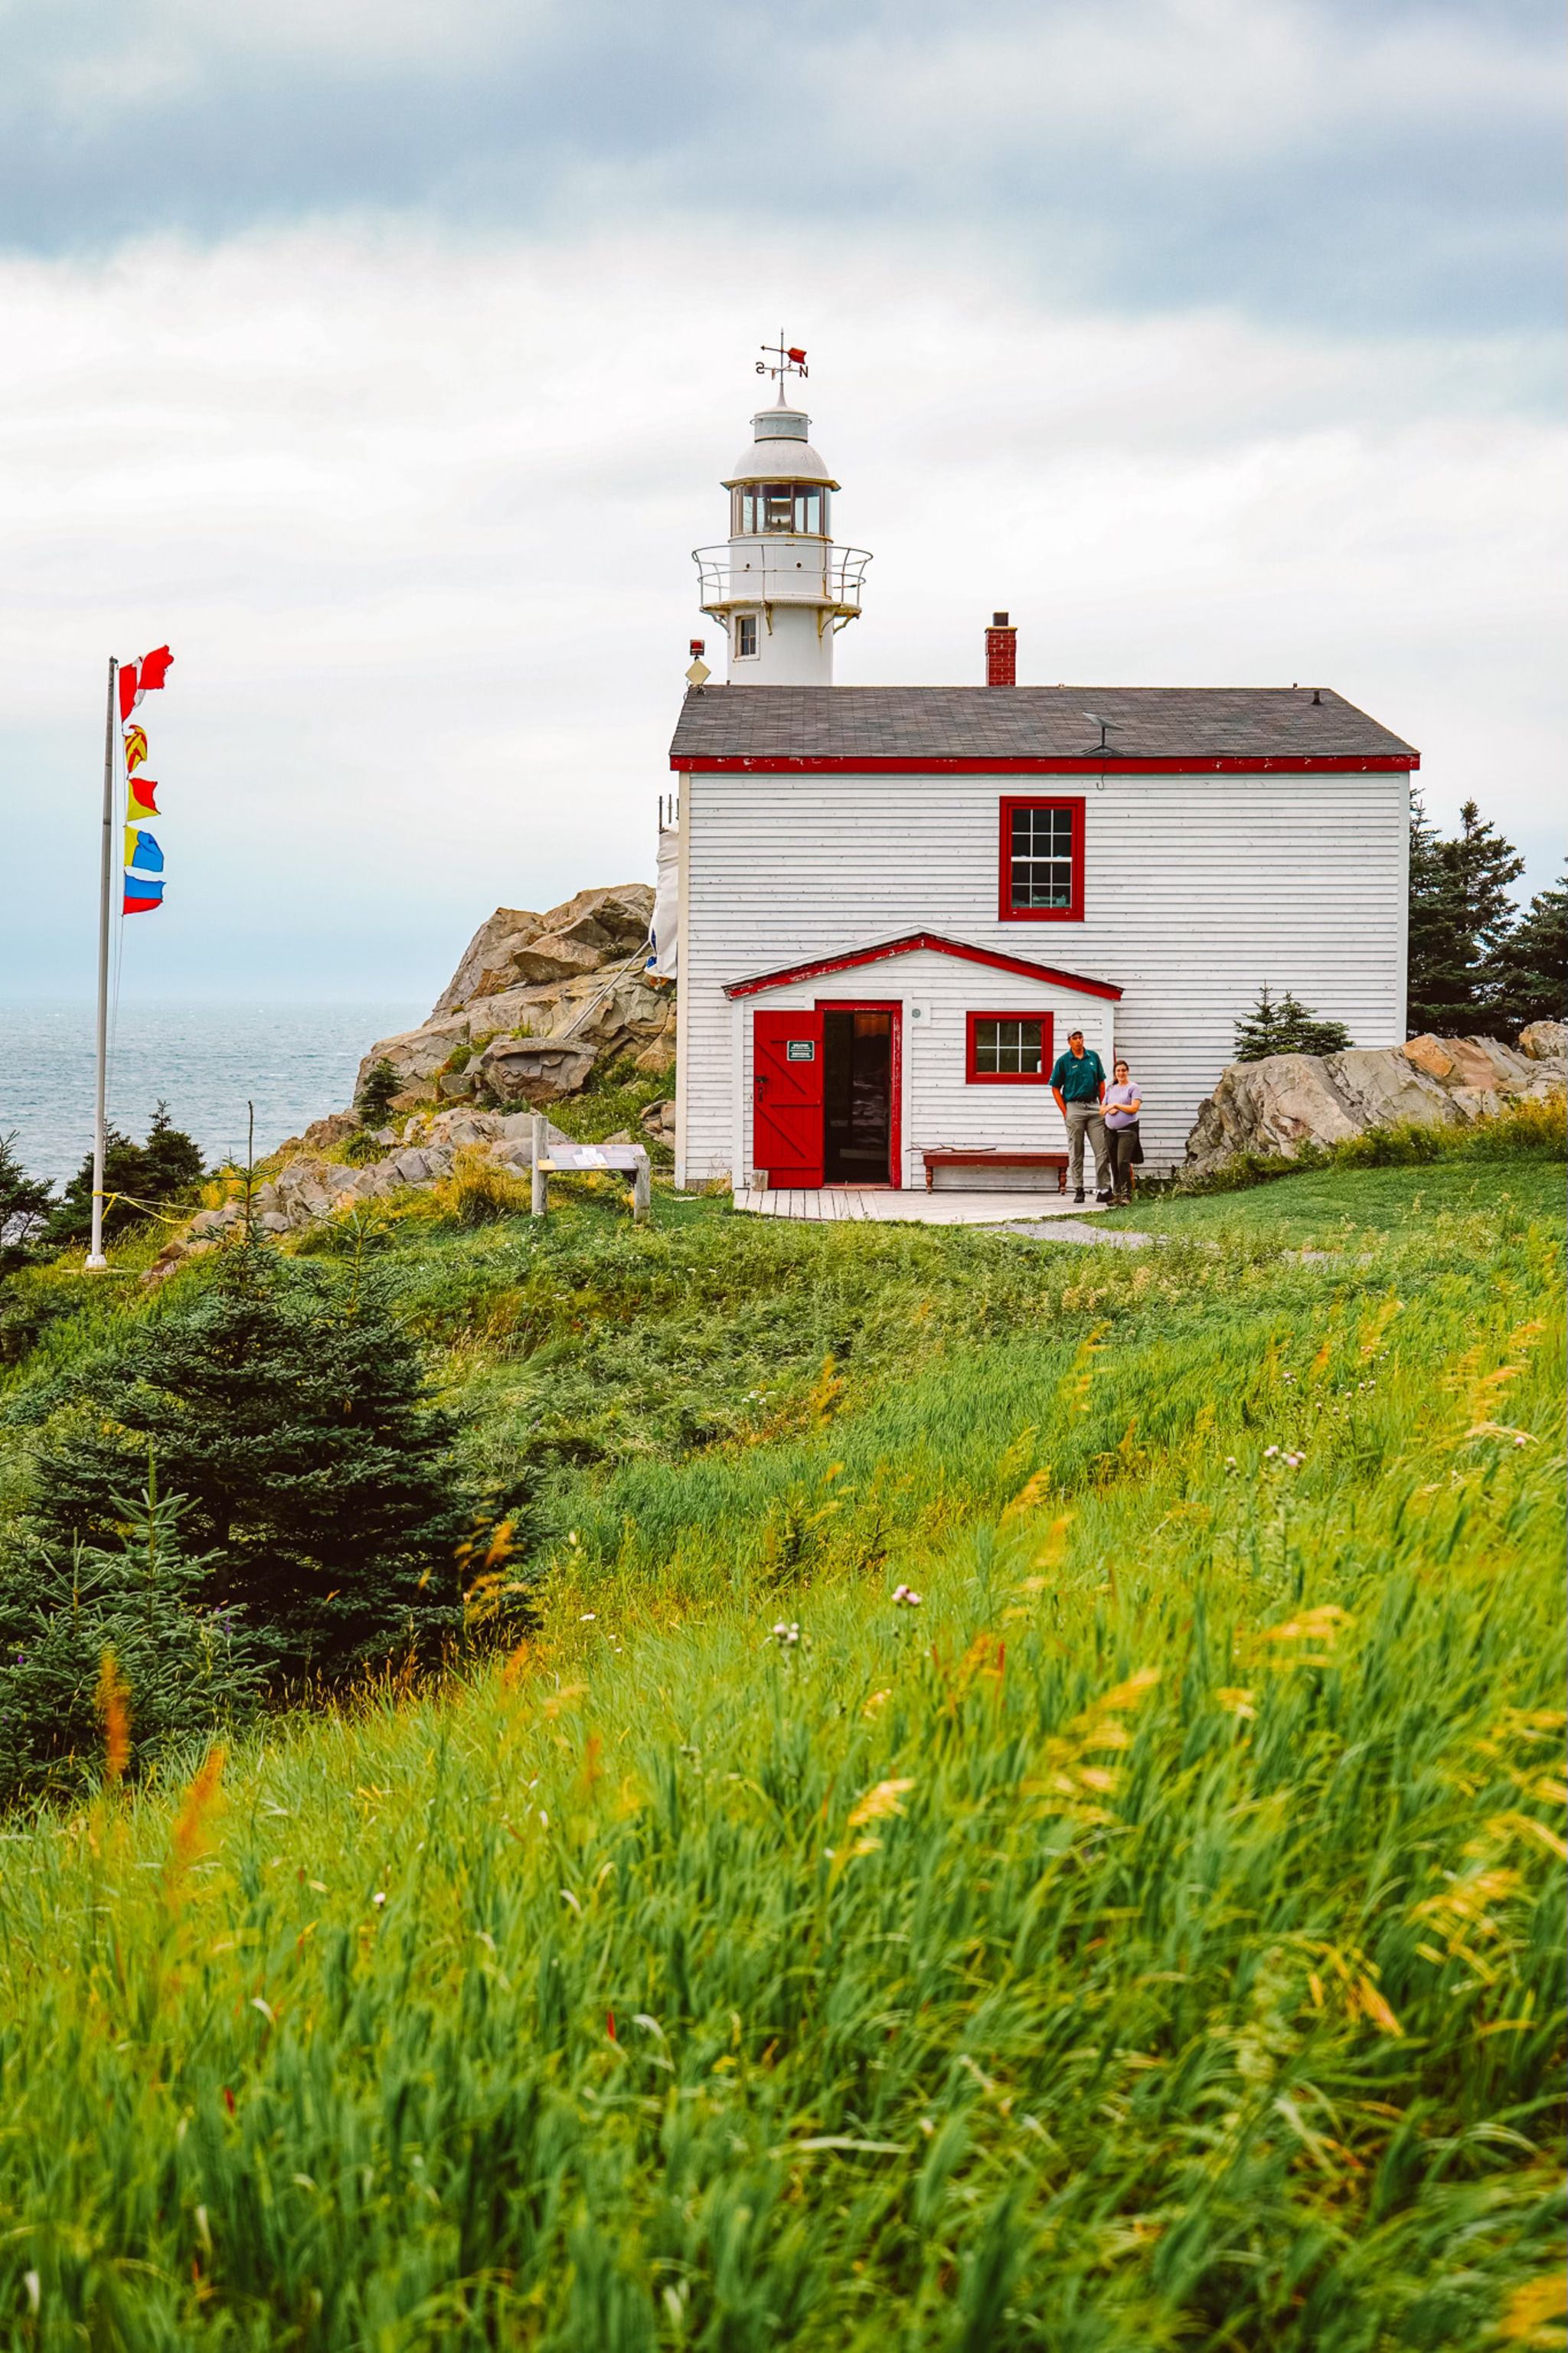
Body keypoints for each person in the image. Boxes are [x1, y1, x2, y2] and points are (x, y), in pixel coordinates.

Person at [1049, 1028, 1111, 1203]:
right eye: (1074, 1038)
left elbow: (1101, 1082)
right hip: (1074, 1106)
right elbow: (1055, 1088)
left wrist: (1103, 1105)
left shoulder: (1093, 1058)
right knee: (1076, 1150)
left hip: (1093, 1106)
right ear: (1069, 1042)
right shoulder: (1063, 1062)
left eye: (1080, 1037)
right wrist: (1065, 1111)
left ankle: (1104, 1188)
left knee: (1102, 1149)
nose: (1078, 1040)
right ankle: (1079, 1188)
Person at [1102, 1057, 1142, 1205]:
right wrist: (1109, 1109)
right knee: (1113, 1162)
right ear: (1115, 1073)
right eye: (1118, 1071)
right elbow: (1102, 1109)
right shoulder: (1111, 1089)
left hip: (1127, 1131)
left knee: (1122, 1162)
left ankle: (1126, 1194)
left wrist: (1117, 1106)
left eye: (1123, 1070)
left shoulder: (1133, 1088)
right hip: (1110, 1131)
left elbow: (1134, 1108)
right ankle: (1117, 1194)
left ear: (1128, 1072)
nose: (1121, 1073)